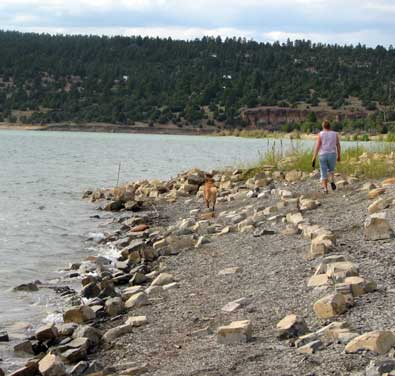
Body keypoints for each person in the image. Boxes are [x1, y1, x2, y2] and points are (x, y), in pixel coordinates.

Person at [312, 120, 341, 193]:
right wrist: (339, 155)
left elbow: (318, 146)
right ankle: (332, 181)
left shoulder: (320, 134)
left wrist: (314, 157)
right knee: (331, 170)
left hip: (323, 155)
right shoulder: (335, 134)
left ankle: (325, 189)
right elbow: (338, 145)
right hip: (332, 154)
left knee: (323, 171)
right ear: (329, 126)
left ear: (323, 126)